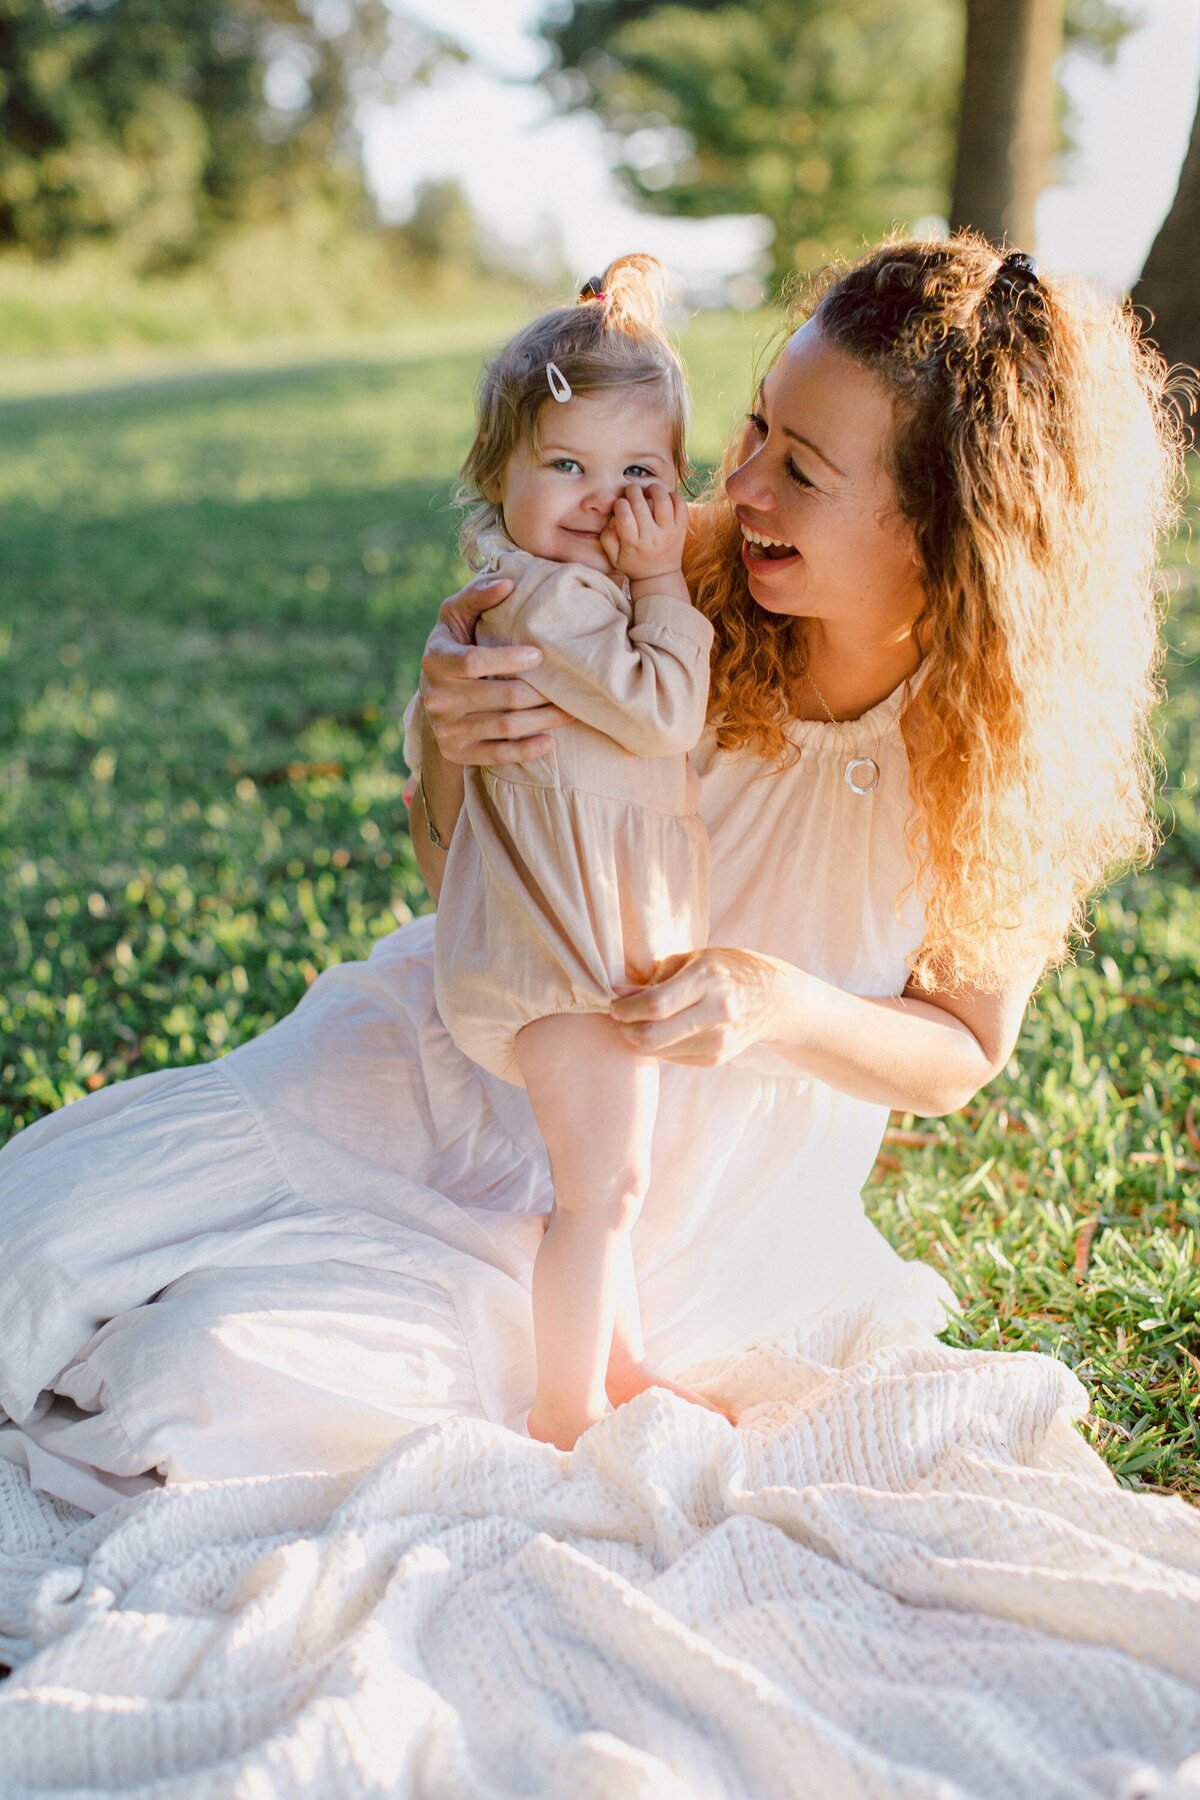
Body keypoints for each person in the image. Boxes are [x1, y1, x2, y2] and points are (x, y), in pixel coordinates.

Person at [0, 235, 1180, 1514]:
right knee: (43, 1231)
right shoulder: (652, 582)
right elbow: (462, 882)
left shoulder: (1006, 748)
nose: (740, 482)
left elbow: (961, 1051)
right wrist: (452, 745)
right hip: (475, 1047)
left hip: (663, 1201)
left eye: (802, 468)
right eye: (754, 427)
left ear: (955, 531)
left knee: (204, 1379)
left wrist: (775, 1006)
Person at [431, 254, 724, 1450]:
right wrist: (664, 581)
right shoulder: (545, 601)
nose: (603, 499)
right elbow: (663, 712)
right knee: (598, 1190)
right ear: (495, 474)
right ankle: (566, 1409)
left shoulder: (572, 590)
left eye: (638, 473)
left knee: (616, 1182)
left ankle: (621, 1362)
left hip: (588, 945)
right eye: (567, 466)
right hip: (561, 955)